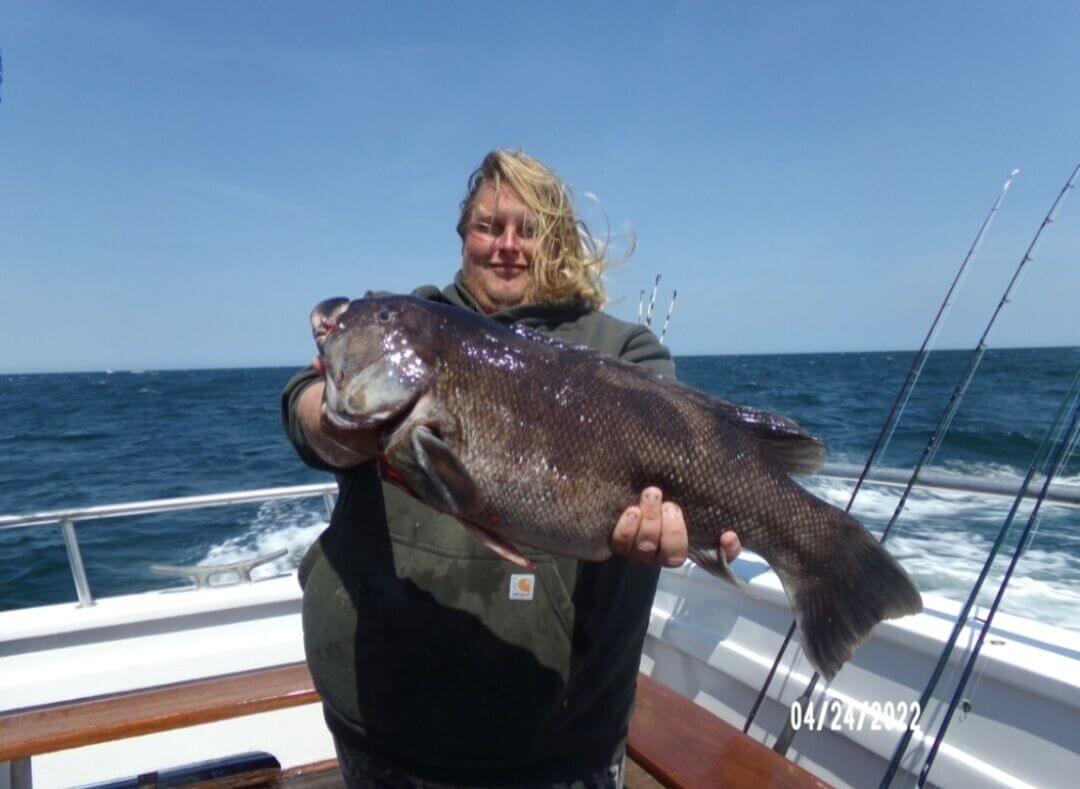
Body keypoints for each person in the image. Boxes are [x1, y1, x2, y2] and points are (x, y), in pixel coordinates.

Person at [282, 150, 741, 788]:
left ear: (557, 243)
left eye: (528, 230)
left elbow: (676, 442)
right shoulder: (411, 319)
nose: (507, 245)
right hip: (378, 732)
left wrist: (680, 516)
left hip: (552, 750)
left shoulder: (622, 351)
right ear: (462, 236)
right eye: (487, 226)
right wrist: (335, 421)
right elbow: (305, 402)